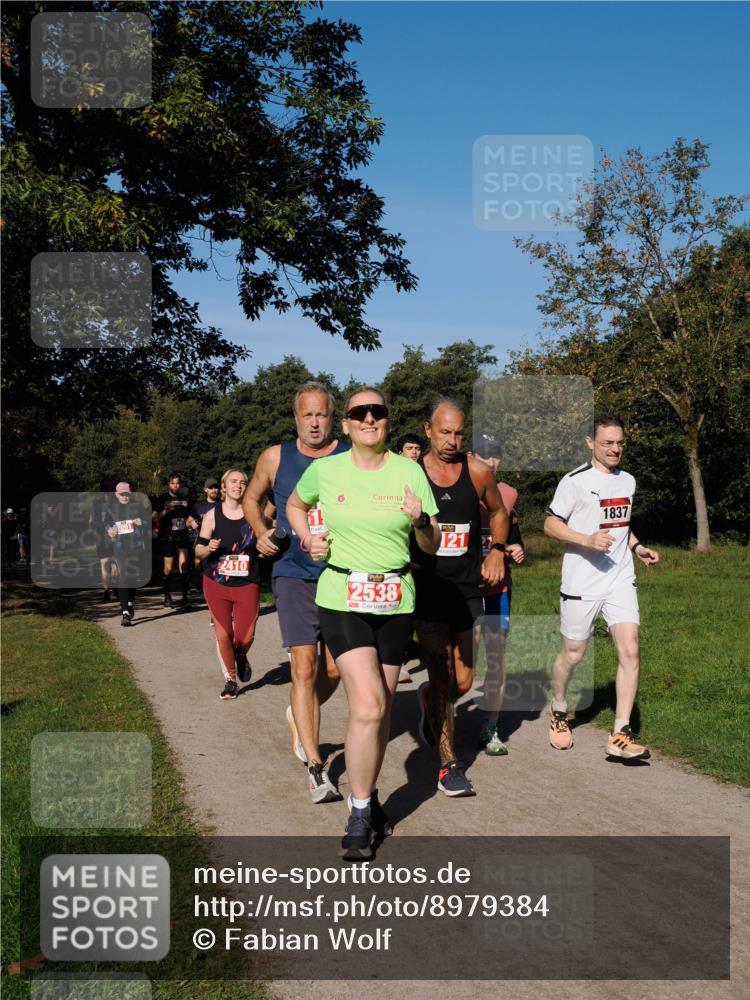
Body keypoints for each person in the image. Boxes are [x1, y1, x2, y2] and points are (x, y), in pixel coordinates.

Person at [287, 386, 440, 859]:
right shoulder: (326, 469)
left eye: (377, 411)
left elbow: (431, 543)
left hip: (395, 599)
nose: (369, 419)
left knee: (382, 709)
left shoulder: (409, 471)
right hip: (343, 596)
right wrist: (307, 536)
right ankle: (357, 815)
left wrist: (421, 522)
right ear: (347, 424)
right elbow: (294, 505)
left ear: (387, 420)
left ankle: (368, 796)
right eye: (359, 413)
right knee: (369, 704)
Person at [243, 381, 348, 804]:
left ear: (332, 417)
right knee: (304, 667)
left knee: (335, 670)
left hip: (340, 572)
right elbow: (251, 498)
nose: (315, 422)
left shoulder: (351, 454)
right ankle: (316, 768)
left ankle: (299, 712)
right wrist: (260, 532)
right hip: (293, 572)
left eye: (321, 414)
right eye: (307, 415)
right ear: (296, 418)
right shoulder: (275, 456)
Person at [544, 415, 659, 759]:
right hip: (582, 580)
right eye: (608, 442)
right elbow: (550, 524)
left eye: (620, 442)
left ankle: (620, 733)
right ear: (590, 442)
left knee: (631, 649)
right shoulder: (574, 481)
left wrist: (637, 547)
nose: (615, 449)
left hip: (619, 578)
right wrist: (585, 539)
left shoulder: (628, 481)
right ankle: (559, 710)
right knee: (573, 653)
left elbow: (621, 524)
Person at [412, 399, 509, 797]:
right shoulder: (410, 473)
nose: (451, 441)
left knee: (463, 681)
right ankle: (448, 765)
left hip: (468, 587)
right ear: (428, 430)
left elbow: (499, 512)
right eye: (444, 432)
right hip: (426, 588)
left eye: (458, 434)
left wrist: (497, 550)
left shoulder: (477, 472)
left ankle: (431, 703)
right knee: (440, 674)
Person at [467, 433, 525, 756]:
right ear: (470, 456)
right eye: (484, 455)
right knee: (465, 662)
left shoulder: (508, 493)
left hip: (497, 588)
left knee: (496, 658)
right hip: (464, 589)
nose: (490, 461)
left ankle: (491, 727)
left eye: (496, 455)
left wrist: (516, 548)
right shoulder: (457, 490)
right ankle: (436, 701)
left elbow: (512, 531)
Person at [196, 469, 261, 701]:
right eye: (233, 481)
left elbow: (265, 538)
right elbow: (198, 550)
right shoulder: (212, 515)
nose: (238, 485)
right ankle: (230, 680)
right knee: (223, 635)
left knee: (245, 638)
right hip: (216, 583)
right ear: (223, 486)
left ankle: (240, 655)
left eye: (243, 482)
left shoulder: (254, 513)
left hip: (247, 583)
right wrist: (208, 548)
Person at [394, 432, 426, 683]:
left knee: (420, 605)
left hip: (424, 549)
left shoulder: (424, 475)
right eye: (409, 448)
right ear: (399, 452)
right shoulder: (393, 476)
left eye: (417, 448)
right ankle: (401, 660)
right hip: (399, 550)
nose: (414, 452)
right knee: (401, 606)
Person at [104, 482, 147, 626]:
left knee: (132, 576)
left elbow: (148, 520)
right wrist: (110, 530)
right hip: (120, 547)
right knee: (123, 577)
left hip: (135, 546)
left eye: (126, 494)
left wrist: (142, 522)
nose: (124, 496)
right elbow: (106, 524)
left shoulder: (138, 506)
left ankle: (129, 602)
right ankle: (125, 613)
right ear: (116, 494)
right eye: (121, 494)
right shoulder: (111, 508)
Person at [152, 473, 192, 609]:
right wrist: (166, 511)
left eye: (178, 483)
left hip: (182, 536)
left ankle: (185, 598)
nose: (176, 486)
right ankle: (167, 595)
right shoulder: (162, 498)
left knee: (183, 565)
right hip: (167, 537)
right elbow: (155, 518)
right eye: (173, 483)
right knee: (168, 568)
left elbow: (188, 518)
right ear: (168, 484)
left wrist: (190, 523)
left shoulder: (185, 499)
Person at [91, 477, 116, 601]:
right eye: (105, 487)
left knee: (115, 563)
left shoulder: (117, 501)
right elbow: (93, 521)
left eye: (109, 487)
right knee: (105, 562)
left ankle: (115, 586)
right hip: (102, 536)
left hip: (117, 535)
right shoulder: (96, 503)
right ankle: (107, 590)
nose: (107, 489)